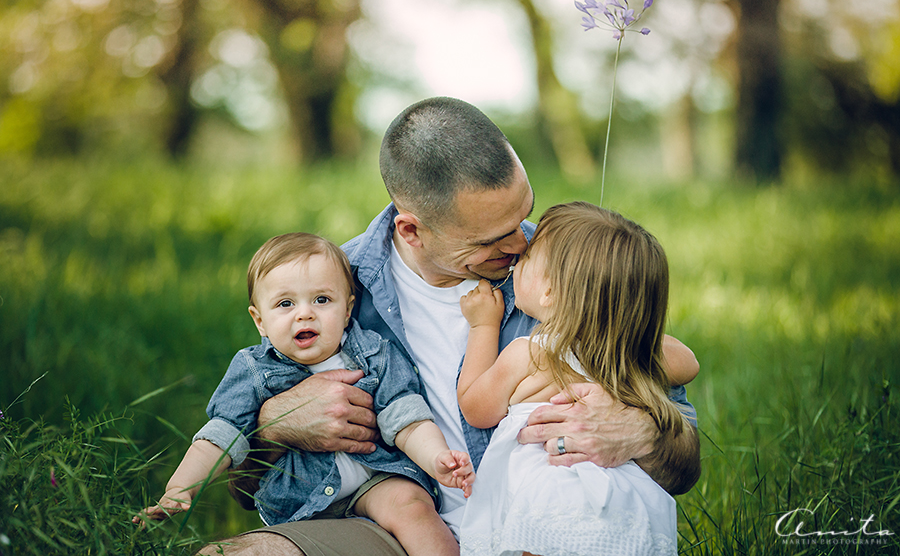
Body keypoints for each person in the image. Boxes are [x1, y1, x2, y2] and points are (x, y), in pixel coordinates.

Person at [199, 97, 700, 556]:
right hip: (396, 526)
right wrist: (273, 429)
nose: (522, 244)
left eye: (522, 218)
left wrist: (644, 433)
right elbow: (241, 488)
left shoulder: (564, 276)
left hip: (546, 527)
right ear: (412, 229)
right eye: (492, 238)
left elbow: (685, 462)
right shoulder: (323, 293)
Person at [134, 233, 474, 556]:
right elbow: (221, 435)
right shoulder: (254, 371)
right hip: (304, 501)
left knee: (413, 508)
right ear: (260, 321)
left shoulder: (374, 353)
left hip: (377, 478)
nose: (305, 312)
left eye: (322, 300)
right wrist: (181, 488)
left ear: (347, 309)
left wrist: (436, 458)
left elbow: (405, 416)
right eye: (285, 303)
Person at [457, 202, 697, 555]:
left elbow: (475, 407)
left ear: (550, 292)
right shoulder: (626, 356)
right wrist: (626, 330)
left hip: (548, 491)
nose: (518, 258)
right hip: (624, 495)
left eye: (527, 258)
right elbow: (688, 363)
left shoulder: (529, 354)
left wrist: (484, 325)